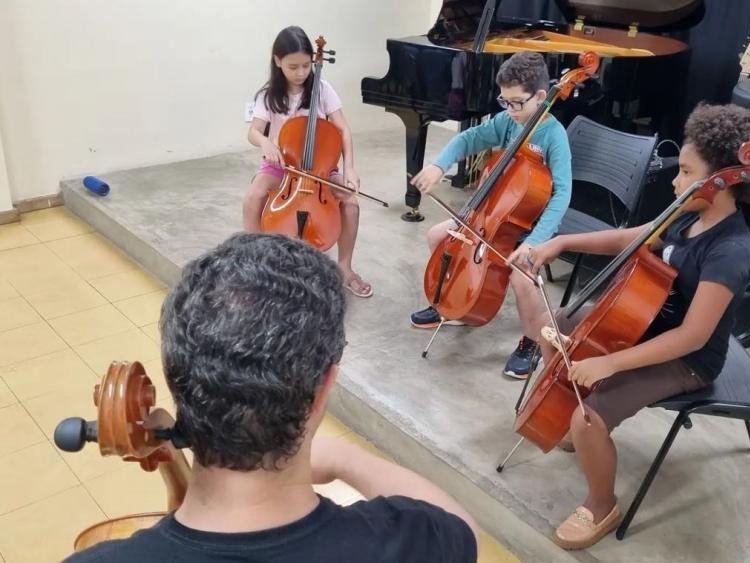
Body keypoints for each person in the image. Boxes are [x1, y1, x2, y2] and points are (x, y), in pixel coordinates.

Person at [66, 233, 478, 562]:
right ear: (322, 389)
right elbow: (462, 530)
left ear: (178, 376)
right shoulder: (410, 544)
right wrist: (344, 459)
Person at [522, 103, 750, 550]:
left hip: (688, 358)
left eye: (686, 172)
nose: (676, 181)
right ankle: (573, 421)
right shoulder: (687, 214)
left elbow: (693, 336)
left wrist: (610, 364)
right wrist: (560, 241)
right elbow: (631, 237)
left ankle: (601, 504)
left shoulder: (731, 251)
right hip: (652, 327)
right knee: (556, 324)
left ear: (719, 182)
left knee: (589, 416)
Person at [409, 51, 572, 378]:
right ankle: (452, 303)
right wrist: (439, 164)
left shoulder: (553, 136)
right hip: (493, 213)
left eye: (516, 103)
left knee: (521, 278)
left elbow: (563, 193)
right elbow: (469, 138)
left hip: (531, 226)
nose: (509, 110)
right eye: (504, 101)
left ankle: (531, 341)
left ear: (541, 97)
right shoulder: (507, 121)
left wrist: (535, 242)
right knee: (438, 237)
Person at [243, 26, 372, 298]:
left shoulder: (322, 90)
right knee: (253, 197)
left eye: (305, 65)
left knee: (350, 204)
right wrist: (266, 142)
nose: (301, 73)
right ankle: (254, 263)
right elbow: (253, 131)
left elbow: (344, 130)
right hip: (282, 165)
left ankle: (345, 268)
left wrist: (349, 168)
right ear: (278, 61)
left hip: (321, 168)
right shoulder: (268, 95)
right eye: (293, 67)